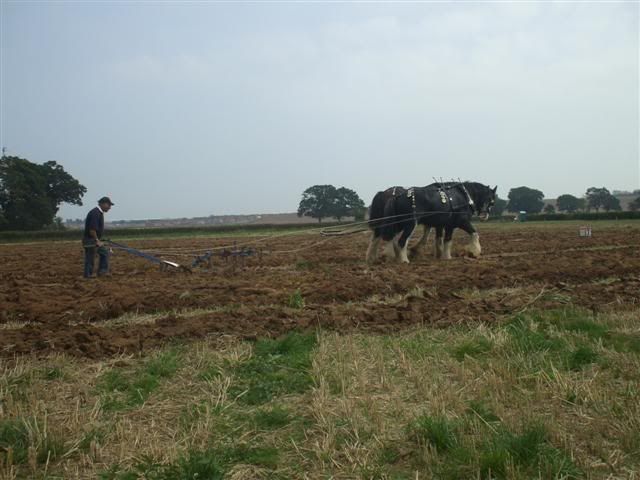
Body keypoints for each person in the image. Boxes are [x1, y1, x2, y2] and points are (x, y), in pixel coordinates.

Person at [83, 196, 114, 278]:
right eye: (109, 205)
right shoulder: (95, 213)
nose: (110, 207)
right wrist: (97, 240)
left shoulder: (98, 213)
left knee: (104, 252)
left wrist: (100, 239)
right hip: (90, 240)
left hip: (94, 239)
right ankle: (88, 275)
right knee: (90, 257)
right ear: (103, 204)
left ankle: (102, 271)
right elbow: (92, 230)